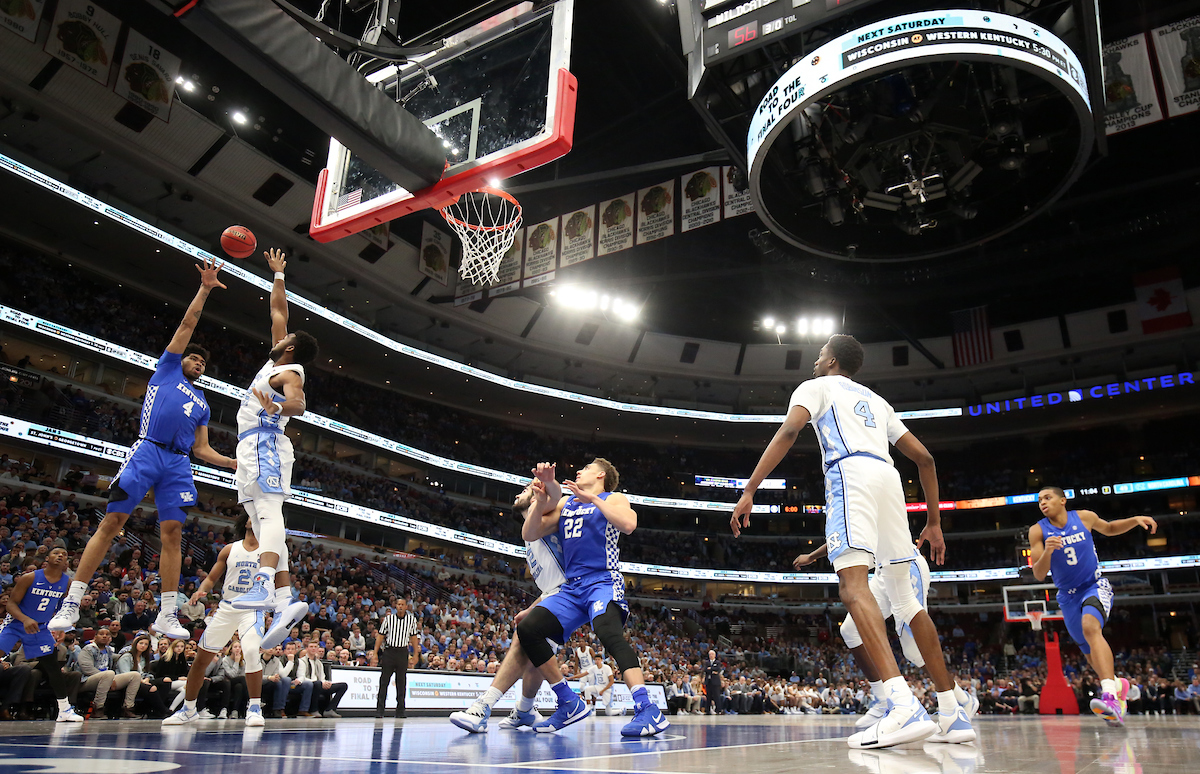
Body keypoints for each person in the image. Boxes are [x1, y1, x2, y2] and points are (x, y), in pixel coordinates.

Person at [731, 335, 949, 749]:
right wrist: (934, 522)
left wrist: (750, 489)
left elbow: (789, 431)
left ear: (831, 361)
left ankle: (901, 703)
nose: (815, 362)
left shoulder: (816, 387)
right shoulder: (877, 400)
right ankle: (950, 711)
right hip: (890, 479)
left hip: (850, 473)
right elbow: (925, 459)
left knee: (852, 587)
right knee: (905, 600)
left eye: (819, 356)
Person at [50, 258, 236, 639]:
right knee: (112, 522)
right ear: (182, 359)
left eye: (203, 362)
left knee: (173, 534)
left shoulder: (203, 403)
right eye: (195, 358)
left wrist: (232, 462)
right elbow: (187, 325)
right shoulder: (167, 370)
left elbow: (202, 449)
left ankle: (167, 613)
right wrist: (204, 289)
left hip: (179, 463)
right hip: (148, 449)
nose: (199, 363)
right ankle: (72, 601)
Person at [516, 460, 669, 737]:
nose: (579, 471)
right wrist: (539, 501)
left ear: (601, 475)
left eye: (586, 468)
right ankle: (568, 702)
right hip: (573, 588)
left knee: (608, 633)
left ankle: (647, 708)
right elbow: (529, 533)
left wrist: (593, 500)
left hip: (602, 580)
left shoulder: (613, 498)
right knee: (528, 628)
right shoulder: (566, 503)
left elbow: (629, 524)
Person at [794, 541, 977, 742]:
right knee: (850, 630)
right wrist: (812, 556)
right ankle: (884, 701)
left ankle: (960, 701)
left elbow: (844, 536)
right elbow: (844, 535)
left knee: (913, 650)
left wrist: (812, 556)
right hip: (883, 570)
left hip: (905, 564)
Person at [230, 249, 319, 655]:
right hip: (249, 445)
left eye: (285, 338)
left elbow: (299, 404)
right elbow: (278, 312)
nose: (279, 335)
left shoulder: (290, 372)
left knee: (268, 513)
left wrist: (278, 408)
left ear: (291, 349)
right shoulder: (275, 362)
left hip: (266, 442)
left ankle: (264, 582)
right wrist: (279, 275)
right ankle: (284, 602)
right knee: (257, 519)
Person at [1029, 487, 1156, 726]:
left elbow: (1109, 528)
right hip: (1067, 597)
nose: (1042, 502)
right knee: (1089, 654)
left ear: (1062, 500)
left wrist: (1134, 520)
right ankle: (1118, 685)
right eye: (1039, 500)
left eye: (1048, 498)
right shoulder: (1037, 530)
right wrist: (1047, 551)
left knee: (1090, 626)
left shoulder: (1084, 517)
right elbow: (1038, 573)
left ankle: (1110, 697)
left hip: (1094, 586)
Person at [449, 480, 566, 732]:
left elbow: (556, 495)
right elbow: (551, 582)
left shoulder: (547, 516)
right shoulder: (529, 530)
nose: (517, 494)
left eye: (524, 490)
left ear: (536, 496)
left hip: (567, 595)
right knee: (536, 655)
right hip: (553, 594)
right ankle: (525, 710)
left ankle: (483, 707)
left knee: (522, 640)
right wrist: (533, 606)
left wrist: (547, 483)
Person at [164, 517, 301, 726]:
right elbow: (212, 578)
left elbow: (282, 581)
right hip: (227, 607)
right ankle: (188, 709)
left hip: (252, 608)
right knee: (201, 659)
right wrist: (202, 590)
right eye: (251, 515)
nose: (255, 517)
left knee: (252, 652)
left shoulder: (271, 551)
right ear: (244, 522)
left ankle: (254, 708)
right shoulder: (230, 549)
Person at [0, 547, 82, 721]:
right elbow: (11, 604)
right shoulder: (30, 577)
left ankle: (65, 710)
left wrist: (61, 628)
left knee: (53, 666)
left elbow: (63, 609)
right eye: (56, 553)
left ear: (66, 561)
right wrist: (25, 619)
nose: (60, 555)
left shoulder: (67, 583)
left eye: (64, 554)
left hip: (40, 628)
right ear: (47, 558)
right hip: (15, 624)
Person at [77, 627, 142, 720]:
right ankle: (97, 708)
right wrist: (108, 679)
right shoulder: (88, 649)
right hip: (86, 680)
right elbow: (87, 669)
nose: (104, 636)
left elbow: (119, 657)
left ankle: (128, 708)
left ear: (110, 638)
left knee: (135, 675)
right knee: (109, 673)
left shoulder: (108, 650)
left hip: (108, 678)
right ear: (95, 637)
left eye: (107, 635)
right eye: (101, 634)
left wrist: (132, 654)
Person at [374, 597, 420, 719]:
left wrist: (416, 654)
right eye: (398, 604)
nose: (400, 606)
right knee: (384, 681)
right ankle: (380, 710)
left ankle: (400, 711)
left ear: (406, 607)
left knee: (401, 682)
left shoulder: (411, 619)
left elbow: (414, 637)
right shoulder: (389, 619)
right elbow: (380, 636)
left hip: (402, 652)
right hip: (389, 651)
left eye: (402, 604)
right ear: (396, 606)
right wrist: (375, 653)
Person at [294, 641, 346, 718]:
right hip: (309, 684)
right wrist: (320, 682)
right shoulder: (302, 661)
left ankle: (330, 709)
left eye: (315, 647)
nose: (313, 648)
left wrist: (325, 683)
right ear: (307, 648)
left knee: (343, 686)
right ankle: (314, 710)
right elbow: (301, 677)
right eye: (311, 647)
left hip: (319, 684)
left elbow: (322, 677)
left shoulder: (319, 662)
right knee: (317, 683)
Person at [703, 649, 723, 714]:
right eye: (710, 654)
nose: (711, 655)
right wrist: (712, 670)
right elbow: (705, 669)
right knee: (708, 696)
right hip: (708, 681)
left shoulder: (718, 662)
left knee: (716, 696)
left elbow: (718, 669)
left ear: (715, 655)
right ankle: (707, 710)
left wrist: (710, 668)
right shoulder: (706, 662)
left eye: (712, 654)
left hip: (715, 682)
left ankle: (718, 710)